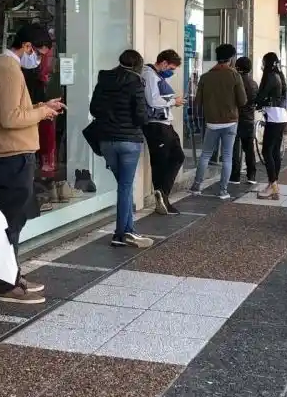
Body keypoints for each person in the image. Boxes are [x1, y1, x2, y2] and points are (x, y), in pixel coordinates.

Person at [0, 24, 63, 304]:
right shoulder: (9, 69)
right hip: (12, 156)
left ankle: (12, 276)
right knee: (10, 223)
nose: (39, 60)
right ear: (27, 46)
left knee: (14, 220)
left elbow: (14, 112)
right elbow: (10, 118)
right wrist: (42, 112)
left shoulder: (6, 67)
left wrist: (41, 107)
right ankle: (8, 284)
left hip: (13, 155)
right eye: (38, 53)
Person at [90, 49, 153, 248]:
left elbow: (93, 108)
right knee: (125, 187)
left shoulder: (104, 78)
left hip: (106, 140)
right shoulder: (136, 82)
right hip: (129, 141)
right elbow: (141, 116)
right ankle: (119, 234)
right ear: (137, 64)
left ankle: (129, 230)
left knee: (124, 187)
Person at [190, 44, 247, 200]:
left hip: (212, 122)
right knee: (227, 156)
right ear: (231, 58)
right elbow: (243, 101)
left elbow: (197, 102)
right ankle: (223, 191)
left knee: (205, 155)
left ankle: (196, 186)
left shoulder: (205, 77)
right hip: (230, 122)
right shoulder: (235, 76)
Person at [141, 49, 185, 215]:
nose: (171, 72)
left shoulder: (155, 75)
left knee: (177, 156)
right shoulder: (149, 75)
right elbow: (153, 100)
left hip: (164, 123)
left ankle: (162, 193)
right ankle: (162, 195)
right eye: (171, 68)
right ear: (164, 63)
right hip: (156, 125)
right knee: (160, 161)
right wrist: (174, 101)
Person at [256, 52, 287, 200]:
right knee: (275, 151)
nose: (262, 65)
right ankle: (273, 184)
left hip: (274, 118)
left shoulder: (270, 76)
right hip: (281, 117)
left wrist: (256, 102)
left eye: (264, 62)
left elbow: (261, 95)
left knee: (267, 151)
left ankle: (273, 185)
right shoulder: (279, 75)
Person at [230, 56, 259, 185]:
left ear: (237, 67)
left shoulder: (234, 82)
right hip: (249, 119)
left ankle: (235, 176)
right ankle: (251, 175)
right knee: (249, 149)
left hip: (235, 119)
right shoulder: (253, 84)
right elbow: (256, 101)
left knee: (235, 149)